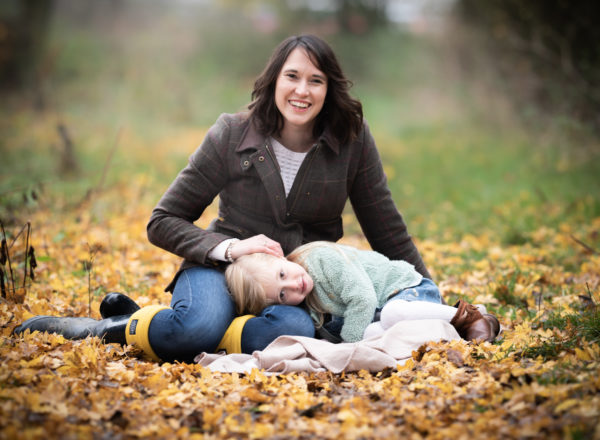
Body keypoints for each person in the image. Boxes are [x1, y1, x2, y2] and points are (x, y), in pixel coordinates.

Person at [14, 35, 434, 362]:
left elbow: (387, 228)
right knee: (194, 328)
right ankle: (106, 327)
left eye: (316, 80)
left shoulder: (352, 141)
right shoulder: (232, 133)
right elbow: (163, 219)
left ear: (329, 89)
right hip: (220, 269)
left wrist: (435, 298)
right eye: (292, 76)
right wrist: (230, 248)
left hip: (295, 289)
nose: (301, 91)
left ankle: (169, 324)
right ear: (274, 80)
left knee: (292, 333)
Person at [225, 242, 500, 343]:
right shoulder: (305, 303)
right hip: (384, 313)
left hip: (405, 290)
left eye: (283, 275)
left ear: (279, 256)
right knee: (376, 334)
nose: (293, 286)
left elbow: (363, 299)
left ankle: (469, 316)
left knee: (392, 314)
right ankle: (445, 330)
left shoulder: (321, 260)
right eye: (282, 295)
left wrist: (351, 345)